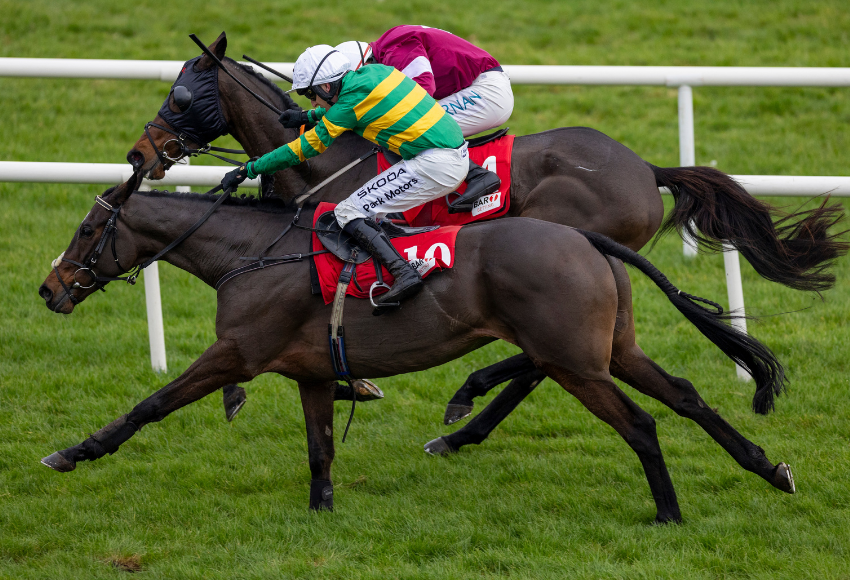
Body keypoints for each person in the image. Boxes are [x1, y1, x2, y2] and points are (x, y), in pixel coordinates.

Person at [220, 45, 468, 308]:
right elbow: (350, 107)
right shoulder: (375, 72)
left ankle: (404, 272)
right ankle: (388, 266)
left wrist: (250, 169)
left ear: (326, 87)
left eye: (309, 94)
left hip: (436, 164)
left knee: (348, 212)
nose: (311, 101)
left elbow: (302, 150)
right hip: (447, 155)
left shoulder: (348, 102)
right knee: (369, 210)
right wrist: (308, 115)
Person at [335, 26, 514, 209]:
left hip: (487, 92)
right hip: (482, 86)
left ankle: (478, 176)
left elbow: (423, 88)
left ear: (364, 66)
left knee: (406, 129)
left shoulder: (395, 47)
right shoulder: (389, 47)